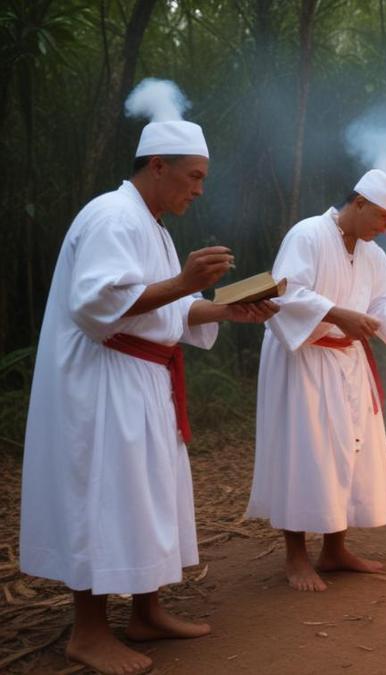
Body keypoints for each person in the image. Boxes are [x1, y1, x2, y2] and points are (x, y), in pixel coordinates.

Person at [20, 116, 277, 675]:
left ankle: (147, 610)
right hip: (105, 382)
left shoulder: (153, 226)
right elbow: (96, 305)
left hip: (145, 381)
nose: (199, 189)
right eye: (194, 176)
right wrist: (185, 283)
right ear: (157, 165)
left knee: (146, 498)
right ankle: (87, 633)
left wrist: (228, 308)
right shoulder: (111, 217)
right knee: (106, 495)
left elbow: (170, 309)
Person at [247, 169, 386, 592]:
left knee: (350, 450)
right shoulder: (307, 234)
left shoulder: (372, 254)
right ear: (360, 202)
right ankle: (296, 557)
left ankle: (335, 549)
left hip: (348, 361)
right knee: (304, 452)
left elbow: (383, 302)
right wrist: (336, 313)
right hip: (304, 359)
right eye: (383, 219)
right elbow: (284, 294)